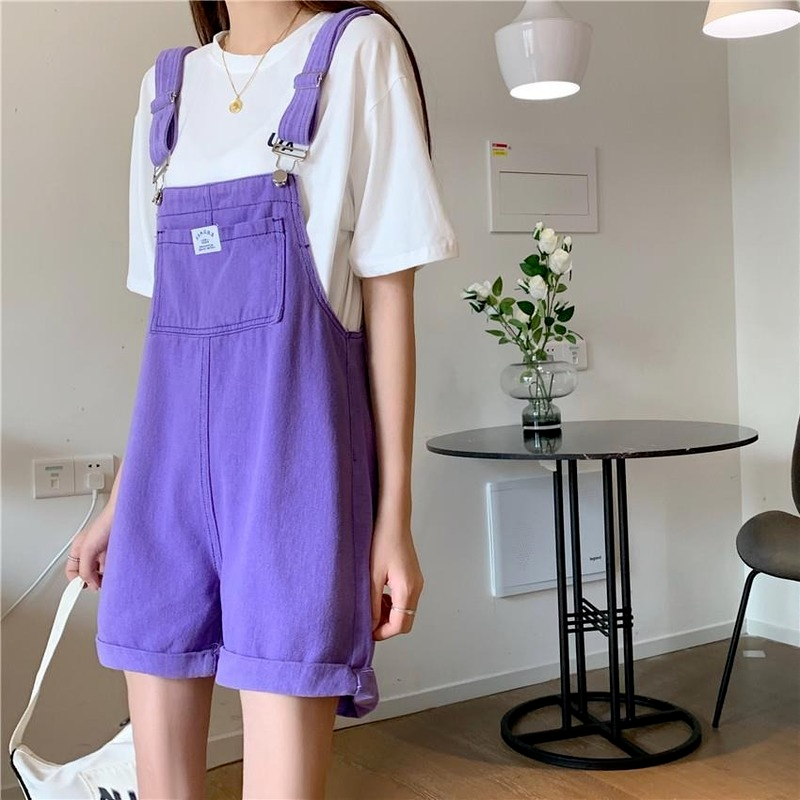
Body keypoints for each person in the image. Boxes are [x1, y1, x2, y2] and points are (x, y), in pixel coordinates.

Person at [65, 1, 458, 798]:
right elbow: (168, 340)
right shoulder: (165, 88)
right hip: (164, 486)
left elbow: (389, 300)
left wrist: (394, 515)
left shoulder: (358, 49)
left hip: (295, 475)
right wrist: (121, 499)